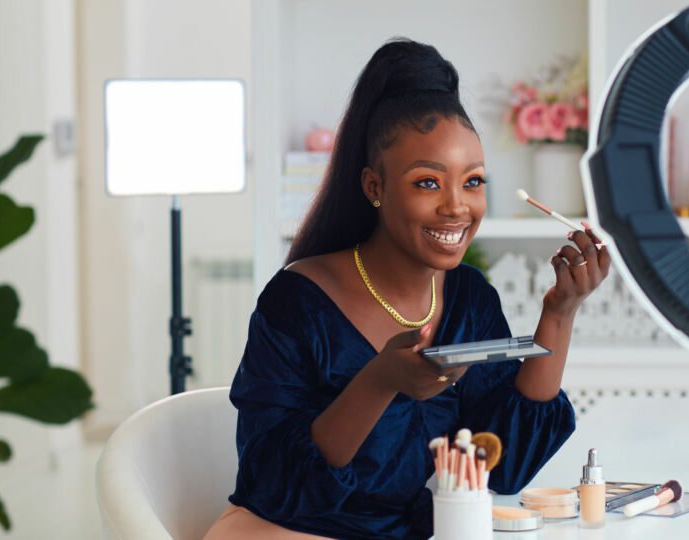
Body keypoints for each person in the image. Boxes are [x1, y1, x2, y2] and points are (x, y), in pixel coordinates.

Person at [203, 38, 610, 540]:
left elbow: (504, 466)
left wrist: (561, 312)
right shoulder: (297, 302)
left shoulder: (468, 299)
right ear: (374, 187)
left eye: (474, 182)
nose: (457, 207)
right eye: (427, 183)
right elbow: (272, 484)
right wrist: (379, 382)